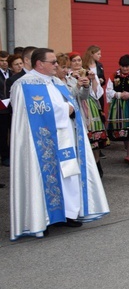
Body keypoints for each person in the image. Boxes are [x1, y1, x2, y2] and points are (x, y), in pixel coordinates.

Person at [9, 48, 109, 240]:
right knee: (41, 177)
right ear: (40, 64)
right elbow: (34, 112)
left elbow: (77, 98)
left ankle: (67, 214)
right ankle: (41, 220)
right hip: (39, 143)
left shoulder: (57, 82)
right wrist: (67, 109)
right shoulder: (24, 84)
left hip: (65, 137)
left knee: (68, 175)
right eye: (53, 62)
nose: (57, 65)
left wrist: (79, 94)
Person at [69, 51, 108, 176]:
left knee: (94, 139)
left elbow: (97, 93)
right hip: (77, 107)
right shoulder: (68, 75)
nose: (77, 63)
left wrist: (93, 80)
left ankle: (97, 165)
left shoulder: (89, 73)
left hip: (90, 106)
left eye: (79, 60)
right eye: (74, 60)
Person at [106, 54, 129, 165]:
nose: (125, 68)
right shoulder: (114, 75)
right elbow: (109, 90)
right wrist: (119, 95)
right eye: (123, 66)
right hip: (119, 106)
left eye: (127, 66)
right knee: (124, 130)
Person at [0, 50, 11, 167]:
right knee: (3, 135)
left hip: (10, 108)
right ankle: (4, 156)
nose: (4, 63)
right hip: (1, 109)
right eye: (1, 61)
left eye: (6, 60)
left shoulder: (11, 73)